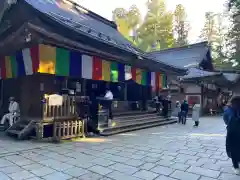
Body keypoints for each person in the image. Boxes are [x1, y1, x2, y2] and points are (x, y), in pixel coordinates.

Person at [223, 96, 240, 175]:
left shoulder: (228, 110)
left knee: (233, 149)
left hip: (232, 133)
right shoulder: (230, 110)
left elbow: (226, 121)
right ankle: (237, 164)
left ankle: (236, 166)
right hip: (235, 133)